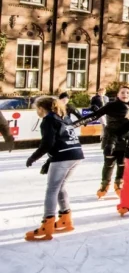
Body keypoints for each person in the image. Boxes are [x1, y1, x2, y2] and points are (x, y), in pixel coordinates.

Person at [25, 95, 84, 241]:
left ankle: (47, 224)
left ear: (41, 108)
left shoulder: (48, 120)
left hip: (63, 156)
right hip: (76, 154)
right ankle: (65, 218)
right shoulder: (64, 117)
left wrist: (33, 157)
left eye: (36, 109)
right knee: (61, 187)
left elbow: (47, 143)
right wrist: (50, 159)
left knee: (52, 189)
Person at [75, 83, 129, 199]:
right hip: (110, 139)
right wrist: (75, 124)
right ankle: (105, 184)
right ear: (118, 94)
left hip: (126, 140)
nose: (125, 95)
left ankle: (119, 184)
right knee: (109, 163)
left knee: (122, 163)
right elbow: (94, 115)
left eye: (127, 93)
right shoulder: (111, 105)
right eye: (122, 92)